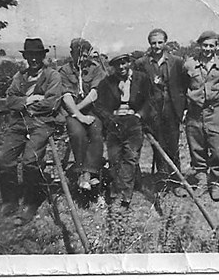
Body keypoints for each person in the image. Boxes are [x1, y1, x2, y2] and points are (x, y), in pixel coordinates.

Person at [0, 38, 62, 224]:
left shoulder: (52, 76)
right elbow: (10, 100)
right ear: (26, 57)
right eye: (30, 55)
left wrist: (27, 105)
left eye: (37, 55)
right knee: (4, 160)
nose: (33, 59)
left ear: (42, 56)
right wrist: (29, 99)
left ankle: (31, 202)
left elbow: (52, 103)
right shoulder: (20, 76)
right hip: (19, 124)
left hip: (42, 122)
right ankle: (9, 200)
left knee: (30, 160)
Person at [135, 28, 187, 195]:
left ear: (165, 42)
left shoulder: (177, 61)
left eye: (159, 42)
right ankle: (163, 180)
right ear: (149, 44)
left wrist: (182, 108)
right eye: (153, 43)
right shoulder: (141, 63)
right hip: (152, 111)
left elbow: (182, 87)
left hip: (172, 109)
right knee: (158, 146)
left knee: (173, 145)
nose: (156, 46)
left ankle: (176, 182)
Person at [94, 54, 151, 209]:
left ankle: (124, 196)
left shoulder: (142, 79)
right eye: (117, 65)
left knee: (130, 157)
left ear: (129, 63)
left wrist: (140, 115)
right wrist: (109, 118)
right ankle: (116, 188)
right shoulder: (107, 82)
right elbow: (99, 106)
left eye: (124, 63)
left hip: (134, 121)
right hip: (115, 122)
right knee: (115, 157)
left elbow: (151, 99)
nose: (121, 67)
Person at [184, 31, 219, 201]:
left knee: (218, 148)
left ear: (217, 46)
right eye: (205, 45)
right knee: (197, 147)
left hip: (216, 111)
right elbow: (184, 87)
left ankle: (216, 182)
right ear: (199, 45)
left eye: (211, 45)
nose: (208, 49)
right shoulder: (189, 65)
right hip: (195, 112)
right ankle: (202, 180)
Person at [58, 38, 106, 191]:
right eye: (78, 55)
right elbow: (66, 96)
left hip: (90, 110)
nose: (82, 59)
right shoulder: (64, 71)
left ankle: (89, 173)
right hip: (71, 112)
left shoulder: (96, 69)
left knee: (96, 130)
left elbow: (94, 94)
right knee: (77, 133)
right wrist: (78, 115)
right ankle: (82, 173)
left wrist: (80, 112)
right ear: (71, 54)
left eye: (85, 55)